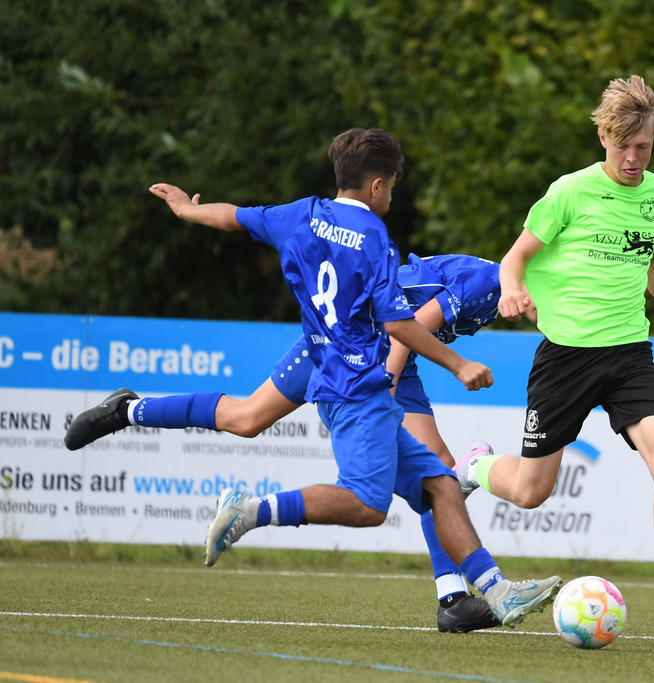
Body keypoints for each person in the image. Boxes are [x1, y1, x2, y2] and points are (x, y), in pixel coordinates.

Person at [140, 127, 561, 628]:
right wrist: (448, 368)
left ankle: (489, 592)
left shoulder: (303, 213)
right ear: (379, 186)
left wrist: (188, 211)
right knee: (365, 500)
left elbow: (233, 216)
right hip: (359, 369)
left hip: (339, 352)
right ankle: (249, 511)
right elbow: (403, 326)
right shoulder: (423, 260)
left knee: (441, 483)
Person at [64, 253, 534, 633]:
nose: (550, 312)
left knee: (440, 470)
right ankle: (126, 410)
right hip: (347, 343)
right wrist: (384, 389)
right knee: (246, 418)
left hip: (383, 354)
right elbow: (404, 330)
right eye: (553, 299)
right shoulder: (487, 284)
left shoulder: (503, 292)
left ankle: (452, 599)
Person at [454, 76, 654, 640]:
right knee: (532, 493)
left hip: (629, 354)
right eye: (624, 146)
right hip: (566, 359)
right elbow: (516, 258)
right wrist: (511, 289)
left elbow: (652, 264)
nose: (633, 158)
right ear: (604, 137)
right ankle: (476, 466)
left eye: (644, 147)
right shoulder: (568, 193)